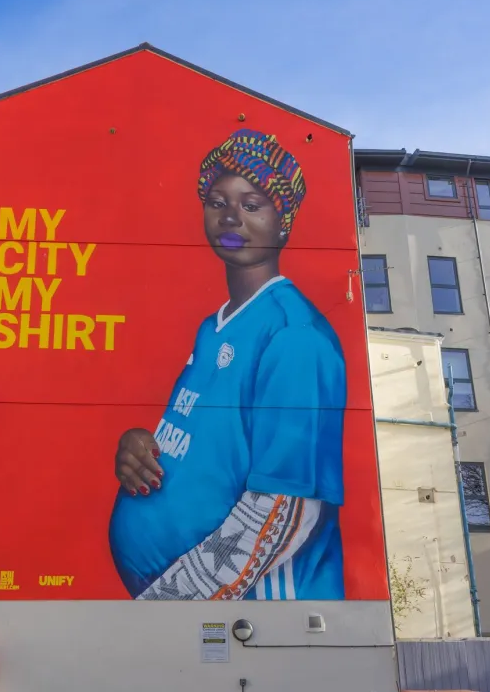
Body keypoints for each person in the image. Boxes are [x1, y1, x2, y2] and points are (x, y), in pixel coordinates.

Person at [108, 129, 346, 601]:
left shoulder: (294, 336)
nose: (231, 216)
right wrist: (140, 446)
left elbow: (285, 507)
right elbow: (207, 443)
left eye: (252, 204)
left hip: (258, 616)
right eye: (217, 202)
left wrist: (168, 607)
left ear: (284, 221)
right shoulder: (213, 327)